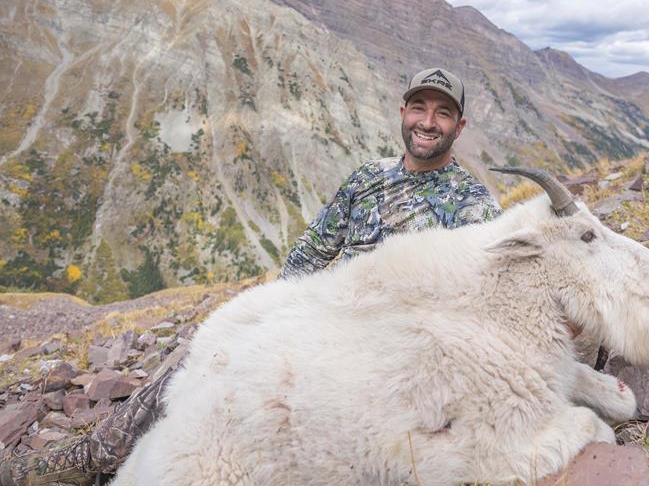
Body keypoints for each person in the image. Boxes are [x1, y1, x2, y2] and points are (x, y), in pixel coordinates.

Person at [0, 67, 500, 486]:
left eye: (442, 113)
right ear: (403, 112)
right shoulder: (368, 178)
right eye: (420, 108)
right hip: (325, 320)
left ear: (459, 126)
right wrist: (271, 313)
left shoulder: (474, 208)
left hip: (383, 354)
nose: (427, 122)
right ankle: (92, 457)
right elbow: (311, 251)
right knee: (206, 354)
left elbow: (471, 312)